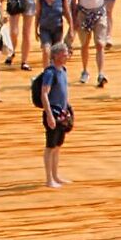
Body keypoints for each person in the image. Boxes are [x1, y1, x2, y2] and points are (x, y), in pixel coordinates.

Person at [35, 42, 74, 188]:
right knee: (50, 147)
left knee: (57, 146)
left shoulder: (63, 70)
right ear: (56, 55)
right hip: (53, 113)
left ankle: (56, 176)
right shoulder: (50, 72)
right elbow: (44, 94)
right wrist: (49, 115)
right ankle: (48, 179)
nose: (67, 55)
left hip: (62, 114)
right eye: (64, 53)